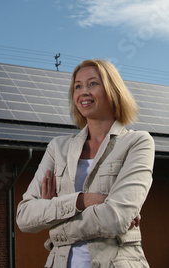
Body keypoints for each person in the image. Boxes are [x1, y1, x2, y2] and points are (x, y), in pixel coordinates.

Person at [16, 59, 155, 268]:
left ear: (112, 89)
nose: (84, 92)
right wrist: (82, 200)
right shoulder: (58, 148)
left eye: (93, 84)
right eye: (77, 86)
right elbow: (25, 217)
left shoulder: (137, 142)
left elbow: (115, 219)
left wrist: (54, 221)